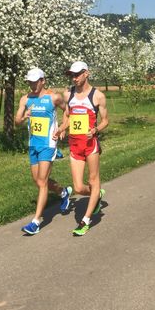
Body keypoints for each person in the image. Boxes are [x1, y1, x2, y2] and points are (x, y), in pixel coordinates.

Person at [15, 67, 72, 235]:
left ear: (43, 81)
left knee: (41, 181)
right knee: (38, 180)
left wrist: (62, 128)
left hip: (48, 144)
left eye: (35, 82)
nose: (32, 85)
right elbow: (17, 121)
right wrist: (24, 117)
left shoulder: (53, 98)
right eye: (30, 82)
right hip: (33, 144)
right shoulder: (25, 99)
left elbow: (68, 112)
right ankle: (63, 192)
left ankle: (36, 221)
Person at [56, 61, 109, 236]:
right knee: (79, 188)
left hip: (90, 145)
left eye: (77, 74)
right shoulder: (68, 94)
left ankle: (85, 220)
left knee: (93, 180)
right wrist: (62, 128)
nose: (74, 78)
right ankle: (97, 195)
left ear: (86, 73)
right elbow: (68, 115)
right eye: (72, 74)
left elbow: (105, 121)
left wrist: (95, 130)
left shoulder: (97, 96)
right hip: (75, 145)